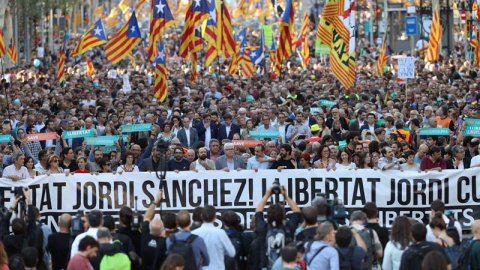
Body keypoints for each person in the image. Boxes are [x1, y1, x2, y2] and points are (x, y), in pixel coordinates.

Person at [255, 185, 302, 269]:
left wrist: (267, 195)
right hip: (285, 266)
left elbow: (258, 212)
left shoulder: (263, 228)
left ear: (267, 216)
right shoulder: (288, 228)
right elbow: (297, 212)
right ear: (284, 216)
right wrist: (286, 196)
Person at [192, 205, 235, 270]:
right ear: (215, 217)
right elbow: (232, 253)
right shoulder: (221, 233)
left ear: (201, 216)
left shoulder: (194, 233)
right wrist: (221, 251)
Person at [141, 189, 168, 269]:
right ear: (162, 230)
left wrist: (156, 201)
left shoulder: (145, 237)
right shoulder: (164, 243)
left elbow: (146, 217)